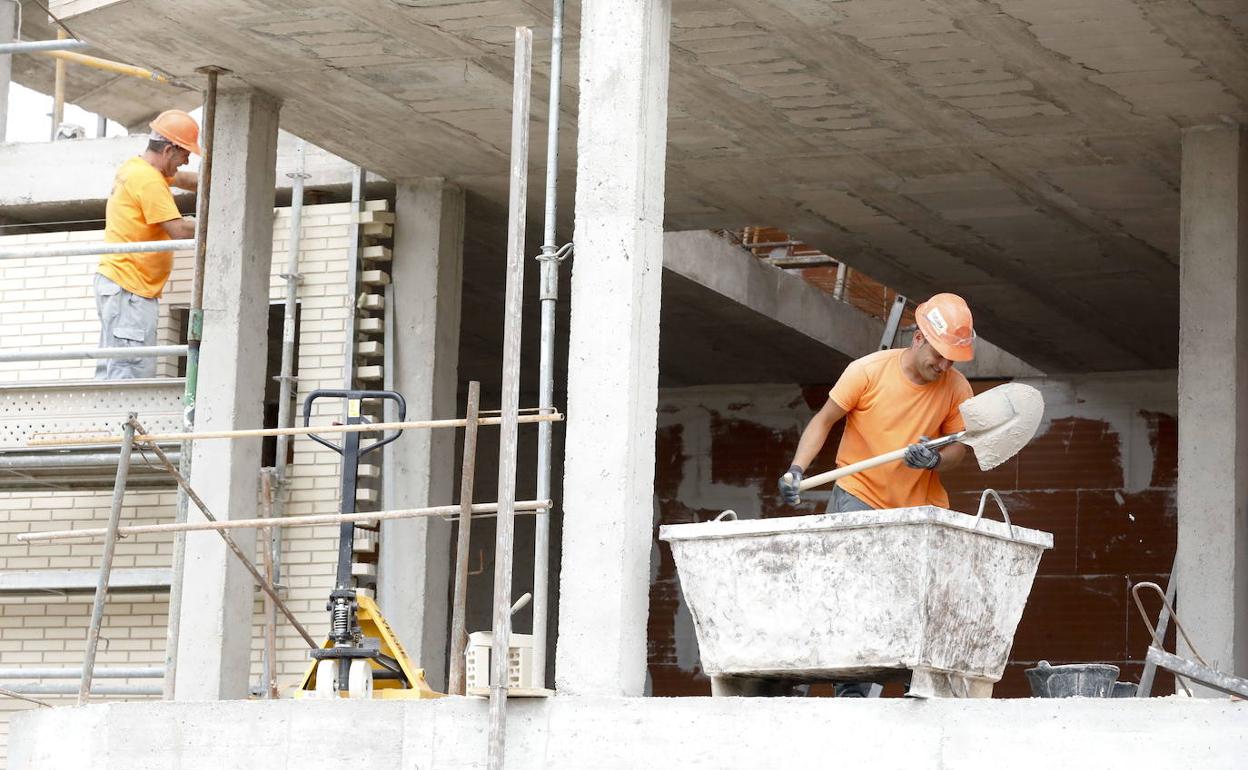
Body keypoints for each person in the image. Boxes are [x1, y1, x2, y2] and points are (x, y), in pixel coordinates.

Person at [777, 292, 977, 697]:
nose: (943, 365)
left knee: (922, 601)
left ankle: (919, 683)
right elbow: (824, 421)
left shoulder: (956, 387)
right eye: (938, 354)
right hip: (860, 494)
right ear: (918, 337)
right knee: (853, 594)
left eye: (951, 359)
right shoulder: (867, 372)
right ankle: (852, 688)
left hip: (920, 507)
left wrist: (934, 461)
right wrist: (797, 469)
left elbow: (961, 450)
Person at [94, 109, 201, 379]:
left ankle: (109, 419)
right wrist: (224, 224)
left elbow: (182, 179)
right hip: (130, 289)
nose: (186, 160)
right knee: (130, 370)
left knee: (115, 364)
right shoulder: (149, 181)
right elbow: (178, 230)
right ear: (168, 150)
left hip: (122, 284)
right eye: (184, 153)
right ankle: (121, 421)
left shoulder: (136, 167)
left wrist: (220, 182)